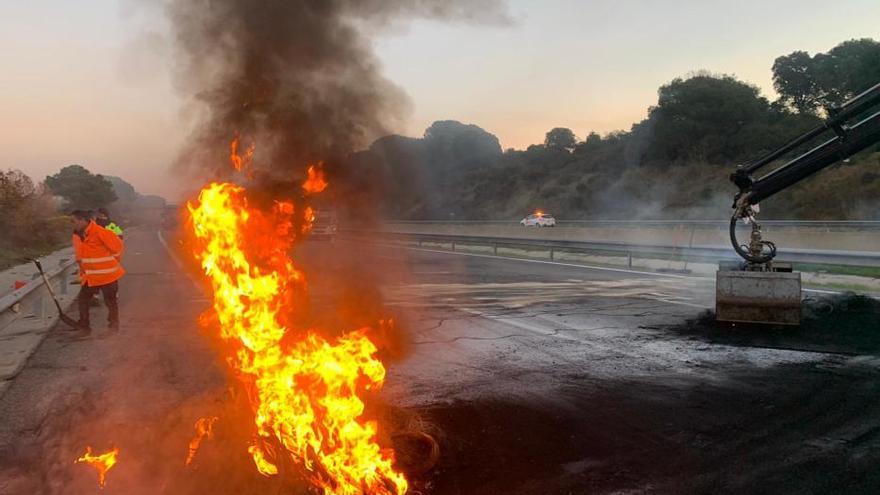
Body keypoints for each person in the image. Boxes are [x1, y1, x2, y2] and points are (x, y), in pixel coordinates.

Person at [70, 210, 125, 332]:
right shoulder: (78, 235)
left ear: (83, 220)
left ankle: (113, 326)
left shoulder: (100, 232)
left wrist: (112, 262)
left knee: (110, 302)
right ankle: (84, 325)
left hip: (107, 275)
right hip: (91, 276)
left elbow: (117, 248)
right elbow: (80, 254)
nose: (72, 224)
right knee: (83, 300)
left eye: (73, 221)